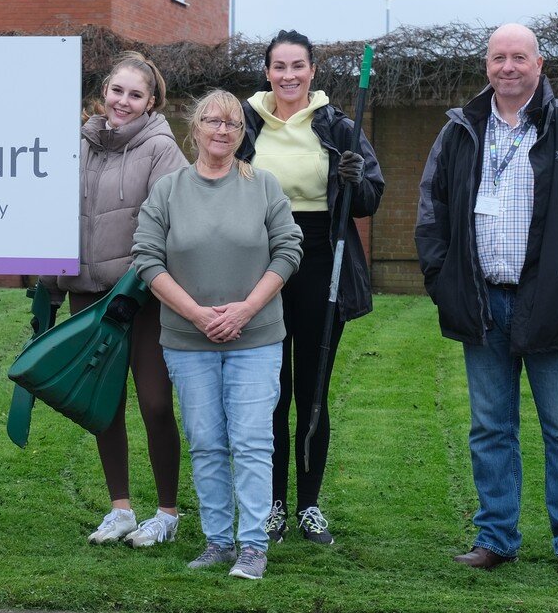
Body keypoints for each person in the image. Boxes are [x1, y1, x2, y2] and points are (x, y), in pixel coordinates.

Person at [415, 23, 558, 579]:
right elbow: (431, 213)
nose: (508, 67)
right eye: (498, 57)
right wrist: (443, 280)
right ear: (486, 65)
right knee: (489, 429)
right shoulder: (459, 131)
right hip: (482, 304)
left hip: (549, 305)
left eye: (519, 58)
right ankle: (496, 538)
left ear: (539, 64)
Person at [132, 90, 302, 580]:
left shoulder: (263, 186)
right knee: (206, 440)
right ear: (195, 128)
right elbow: (146, 258)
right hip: (188, 340)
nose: (222, 131)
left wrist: (246, 310)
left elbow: (288, 250)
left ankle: (252, 545)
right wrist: (198, 315)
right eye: (213, 121)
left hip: (257, 336)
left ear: (242, 133)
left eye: (232, 123)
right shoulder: (168, 190)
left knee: (250, 440)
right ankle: (217, 541)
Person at [241, 30, 385, 546]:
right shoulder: (245, 124)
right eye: (279, 66)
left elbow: (370, 197)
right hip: (262, 264)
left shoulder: (339, 127)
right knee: (270, 394)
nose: (288, 76)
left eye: (297, 66)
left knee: (313, 391)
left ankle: (309, 505)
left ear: (312, 71)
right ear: (267, 71)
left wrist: (353, 177)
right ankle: (274, 505)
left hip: (323, 260)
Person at [47, 51, 188, 548]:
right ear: (102, 92)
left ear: (152, 102)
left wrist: (137, 285)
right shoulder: (78, 144)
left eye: (135, 94)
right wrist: (47, 280)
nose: (123, 102)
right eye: (117, 91)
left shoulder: (161, 149)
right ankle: (120, 509)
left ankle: (167, 512)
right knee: (103, 404)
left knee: (153, 402)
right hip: (86, 292)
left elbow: (168, 223)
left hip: (141, 296)